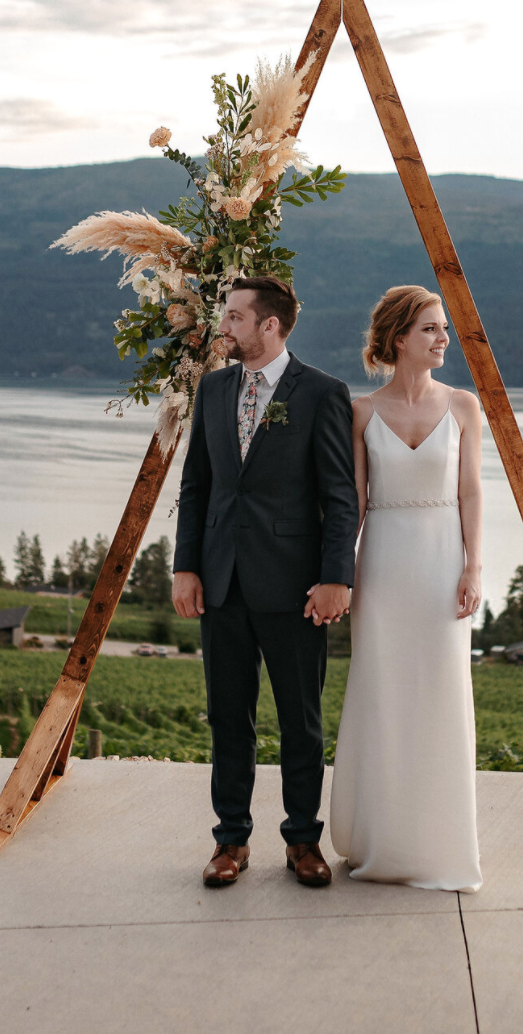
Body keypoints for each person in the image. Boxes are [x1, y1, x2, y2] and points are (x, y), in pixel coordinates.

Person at [173, 275, 358, 889]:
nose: (222, 327)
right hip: (221, 582)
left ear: (269, 325)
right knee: (228, 717)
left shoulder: (323, 394)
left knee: (300, 721)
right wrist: (186, 566)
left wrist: (336, 578)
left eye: (233, 317)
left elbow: (340, 495)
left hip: (294, 588)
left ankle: (304, 841)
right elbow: (197, 485)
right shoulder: (215, 389)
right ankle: (231, 842)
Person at [329, 285, 485, 891]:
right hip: (385, 569)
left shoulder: (465, 406)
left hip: (443, 563)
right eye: (430, 329)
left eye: (443, 329)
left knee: (442, 696)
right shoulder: (362, 412)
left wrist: (473, 566)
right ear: (399, 339)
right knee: (384, 698)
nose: (444, 338)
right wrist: (338, 576)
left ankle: (440, 845)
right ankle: (382, 841)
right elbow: (356, 506)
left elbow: (471, 492)